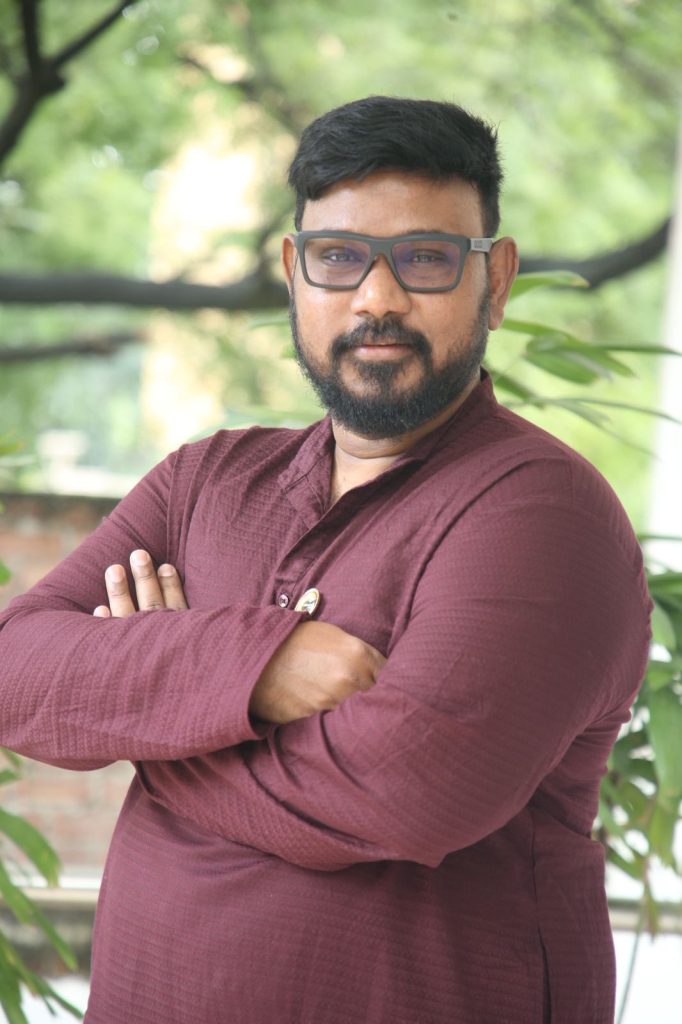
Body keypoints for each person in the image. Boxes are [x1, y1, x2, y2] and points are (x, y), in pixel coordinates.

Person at [0, 96, 651, 1024]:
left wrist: (152, 726)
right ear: (294, 272)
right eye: (339, 256)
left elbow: (406, 793)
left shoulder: (541, 513)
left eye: (425, 258)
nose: (377, 298)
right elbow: (12, 669)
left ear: (496, 279)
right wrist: (260, 669)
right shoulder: (206, 479)